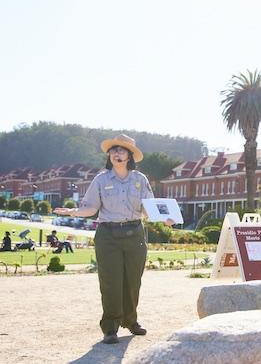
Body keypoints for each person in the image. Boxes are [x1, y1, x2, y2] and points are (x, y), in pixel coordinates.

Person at [53, 134, 173, 345]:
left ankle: (131, 321)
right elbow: (91, 208)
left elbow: (148, 207)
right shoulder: (101, 179)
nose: (117, 153)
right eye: (114, 150)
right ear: (109, 155)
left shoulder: (140, 179)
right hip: (108, 235)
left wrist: (165, 219)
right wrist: (73, 212)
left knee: (132, 282)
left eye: (122, 150)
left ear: (129, 156)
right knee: (111, 283)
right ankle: (110, 328)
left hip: (134, 233)